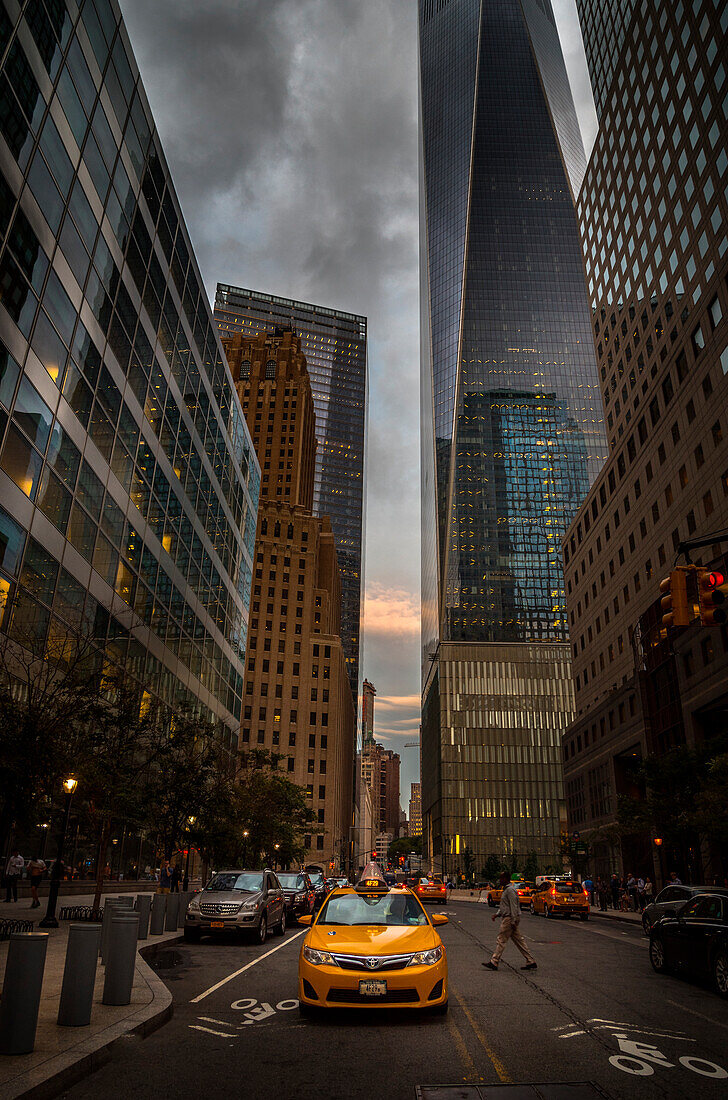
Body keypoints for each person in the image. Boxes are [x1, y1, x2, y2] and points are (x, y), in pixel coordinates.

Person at [482, 872, 537, 972]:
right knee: (519, 941)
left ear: (506, 879)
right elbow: (505, 906)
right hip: (509, 918)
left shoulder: (510, 890)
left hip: (509, 919)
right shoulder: (507, 890)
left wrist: (513, 920)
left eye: (501, 878)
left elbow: (513, 906)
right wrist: (497, 914)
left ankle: (494, 961)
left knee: (501, 940)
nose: (500, 880)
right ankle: (530, 961)